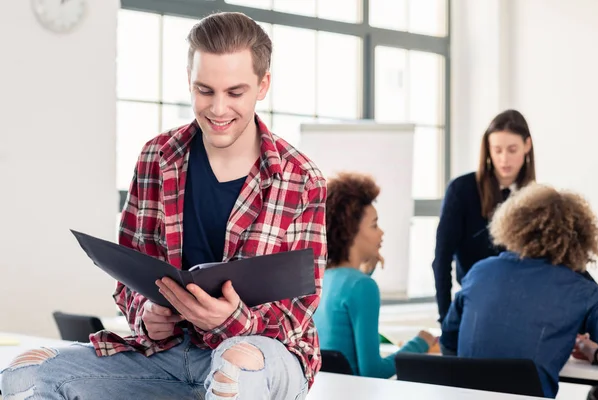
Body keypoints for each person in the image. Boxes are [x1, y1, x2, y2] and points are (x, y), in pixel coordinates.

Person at [1, 12, 327, 400]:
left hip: (262, 355)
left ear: (263, 85)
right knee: (26, 375)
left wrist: (230, 321)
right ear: (189, 82)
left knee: (235, 368)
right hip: (170, 354)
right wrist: (146, 315)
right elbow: (129, 275)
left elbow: (297, 313)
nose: (218, 110)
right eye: (205, 90)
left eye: (235, 93)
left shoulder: (301, 178)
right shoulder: (158, 157)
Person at [439, 183, 598, 398]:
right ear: (580, 238)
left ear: (513, 227)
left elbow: (449, 342)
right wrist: (593, 351)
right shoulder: (582, 291)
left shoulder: (479, 273)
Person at [313, 172, 436, 379]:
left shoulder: (322, 277)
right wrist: (420, 342)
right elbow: (373, 372)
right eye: (374, 225)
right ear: (350, 231)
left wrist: (365, 271)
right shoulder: (362, 286)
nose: (381, 233)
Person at [432, 109, 535, 322]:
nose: (504, 159)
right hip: (474, 305)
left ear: (527, 145)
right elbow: (442, 259)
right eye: (497, 150)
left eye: (512, 149)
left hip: (521, 309)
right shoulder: (462, 190)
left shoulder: (535, 198)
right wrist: (445, 317)